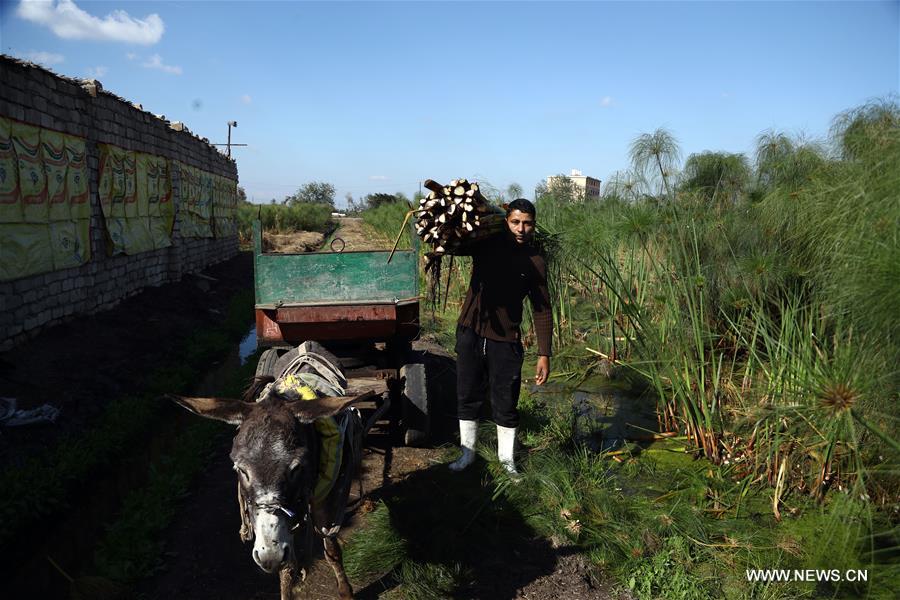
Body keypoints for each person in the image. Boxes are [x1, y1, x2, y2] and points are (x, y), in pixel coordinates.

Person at [449, 198, 553, 475]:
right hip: (471, 331)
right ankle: (467, 455)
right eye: (515, 222)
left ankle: (507, 462)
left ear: (534, 225)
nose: (521, 228)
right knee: (467, 394)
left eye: (527, 223)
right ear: (506, 221)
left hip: (506, 340)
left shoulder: (535, 261)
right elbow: (454, 243)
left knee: (505, 400)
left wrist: (544, 354)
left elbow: (542, 309)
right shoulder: (486, 244)